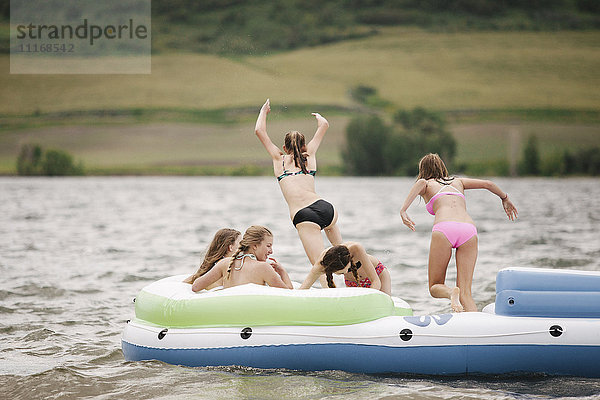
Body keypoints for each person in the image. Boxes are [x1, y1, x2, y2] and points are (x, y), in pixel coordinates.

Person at [399, 153, 518, 312]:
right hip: (469, 230)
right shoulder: (458, 181)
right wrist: (505, 198)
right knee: (466, 293)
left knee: (435, 286)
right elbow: (488, 184)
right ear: (442, 167)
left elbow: (419, 185)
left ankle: (450, 293)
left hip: (445, 228)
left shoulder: (425, 183)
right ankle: (476, 327)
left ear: (423, 170)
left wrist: (403, 210)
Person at [254, 99, 343, 271]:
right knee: (343, 251)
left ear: (284, 147)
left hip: (305, 216)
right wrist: (319, 118)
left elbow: (259, 131)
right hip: (326, 208)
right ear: (303, 145)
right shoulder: (309, 155)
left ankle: (330, 294)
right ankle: (358, 275)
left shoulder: (278, 160)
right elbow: (324, 125)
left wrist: (263, 111)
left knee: (320, 267)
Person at [191, 225, 293, 292]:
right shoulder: (264, 268)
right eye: (268, 246)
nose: (271, 251)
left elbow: (195, 287)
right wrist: (282, 272)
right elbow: (289, 296)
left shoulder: (225, 263)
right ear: (255, 245)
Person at [299, 242, 392, 295]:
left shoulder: (356, 248)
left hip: (378, 275)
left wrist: (367, 298)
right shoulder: (322, 264)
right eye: (342, 273)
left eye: (348, 269)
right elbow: (305, 287)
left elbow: (375, 281)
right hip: (352, 282)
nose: (348, 272)